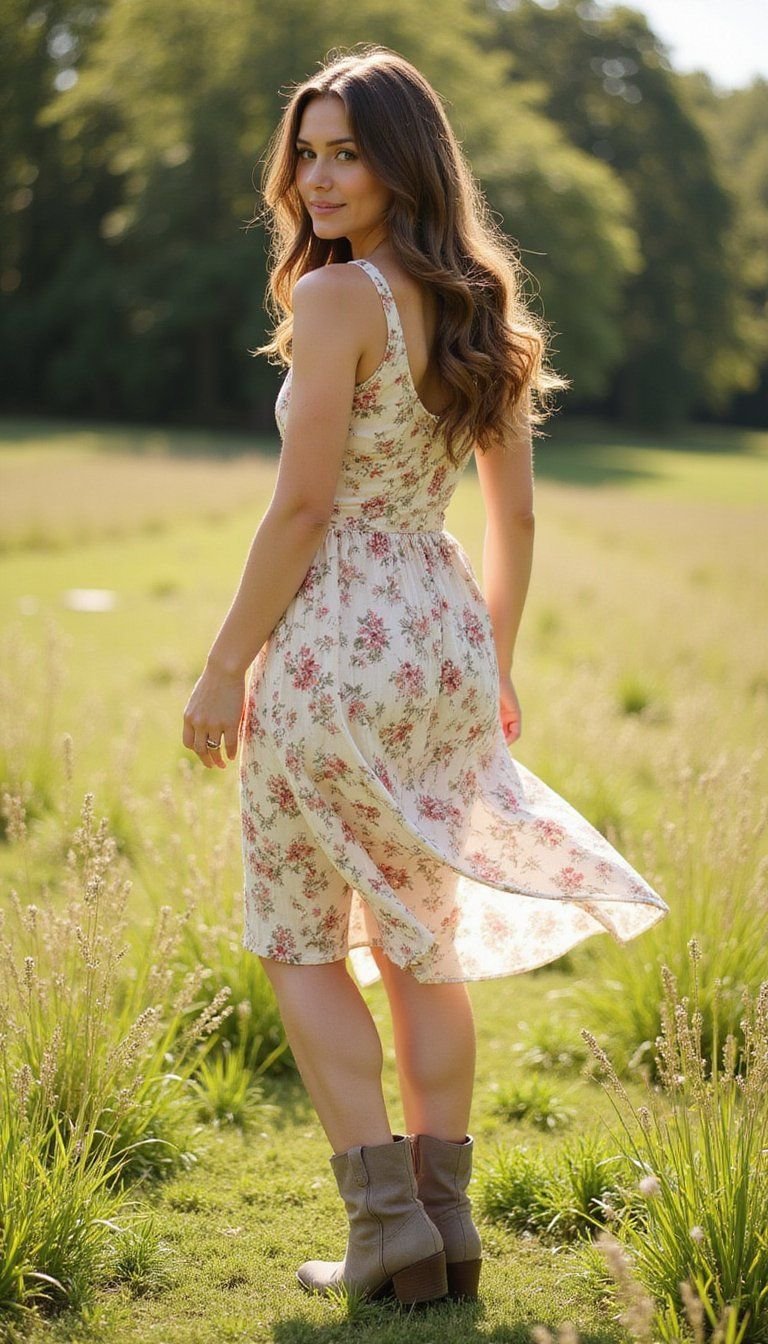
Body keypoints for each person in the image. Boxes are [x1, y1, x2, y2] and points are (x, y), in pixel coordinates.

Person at [182, 45, 669, 1308]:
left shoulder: (339, 298)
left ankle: (385, 1225)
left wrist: (224, 665)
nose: (319, 176)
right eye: (308, 153)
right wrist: (492, 664)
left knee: (298, 937)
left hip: (337, 639)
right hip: (440, 638)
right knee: (420, 946)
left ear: (404, 162)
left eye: (347, 152)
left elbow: (303, 510)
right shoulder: (482, 302)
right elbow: (516, 519)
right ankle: (445, 1232)